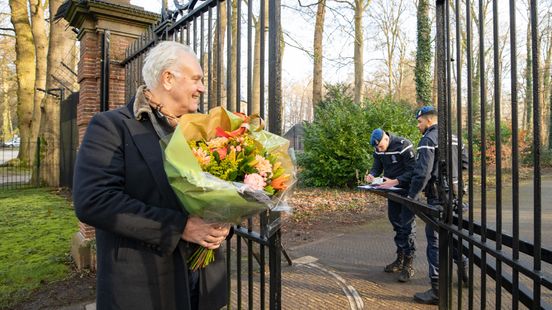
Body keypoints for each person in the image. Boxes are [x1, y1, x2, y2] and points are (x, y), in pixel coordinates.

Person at [73, 41, 230, 310]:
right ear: (167, 78)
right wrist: (181, 227)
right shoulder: (112, 127)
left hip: (203, 285)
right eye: (196, 79)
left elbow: (222, 190)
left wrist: (225, 220)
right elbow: (94, 201)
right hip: (143, 287)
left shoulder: (204, 132)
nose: (202, 88)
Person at [407, 106, 468, 305]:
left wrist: (412, 195)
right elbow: (466, 163)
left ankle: (437, 289)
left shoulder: (428, 140)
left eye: (419, 122)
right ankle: (464, 270)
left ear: (428, 121)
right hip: (456, 196)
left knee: (434, 240)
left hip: (438, 197)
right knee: (454, 234)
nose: (418, 126)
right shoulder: (455, 138)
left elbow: (422, 172)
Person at [365, 128, 417, 282]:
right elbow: (377, 165)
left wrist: (395, 181)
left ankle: (409, 264)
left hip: (407, 192)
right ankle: (399, 260)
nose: (378, 150)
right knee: (396, 224)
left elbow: (414, 170)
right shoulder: (378, 149)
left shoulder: (403, 145)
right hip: (391, 192)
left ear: (386, 139)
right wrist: (372, 175)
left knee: (407, 227)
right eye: (377, 148)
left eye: (380, 146)